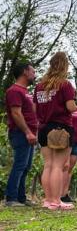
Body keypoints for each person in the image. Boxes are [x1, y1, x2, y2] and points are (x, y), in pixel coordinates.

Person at [34, 52, 77, 211]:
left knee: (48, 165)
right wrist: (76, 104)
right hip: (61, 128)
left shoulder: (39, 86)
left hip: (44, 128)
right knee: (59, 166)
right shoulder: (65, 85)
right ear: (64, 66)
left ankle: (47, 200)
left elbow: (34, 109)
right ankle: (56, 201)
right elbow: (70, 107)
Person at [4, 62, 38, 206]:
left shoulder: (25, 92)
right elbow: (16, 114)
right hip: (21, 133)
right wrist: (28, 132)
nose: (34, 74)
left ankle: (21, 198)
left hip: (29, 134)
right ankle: (11, 198)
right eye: (33, 71)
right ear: (25, 72)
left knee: (26, 166)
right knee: (20, 165)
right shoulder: (14, 91)